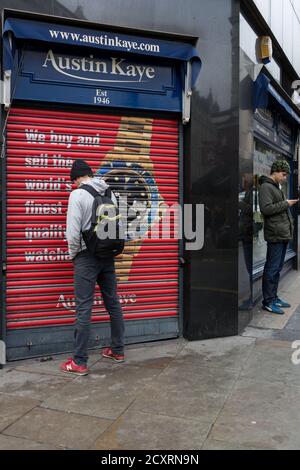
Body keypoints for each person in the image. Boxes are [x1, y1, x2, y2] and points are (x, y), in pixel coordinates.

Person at [60, 159, 125, 376]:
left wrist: (74, 255)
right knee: (113, 302)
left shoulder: (77, 194)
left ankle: (79, 361)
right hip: (108, 254)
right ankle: (117, 350)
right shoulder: (109, 192)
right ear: (90, 174)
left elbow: (73, 232)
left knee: (84, 307)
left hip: (87, 257)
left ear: (76, 178)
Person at [259, 159, 298, 315]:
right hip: (275, 235)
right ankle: (267, 302)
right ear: (275, 172)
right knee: (272, 269)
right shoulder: (266, 187)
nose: (285, 177)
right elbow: (266, 209)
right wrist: (286, 203)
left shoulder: (276, 187)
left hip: (281, 235)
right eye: (283, 174)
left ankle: (274, 298)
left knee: (277, 269)